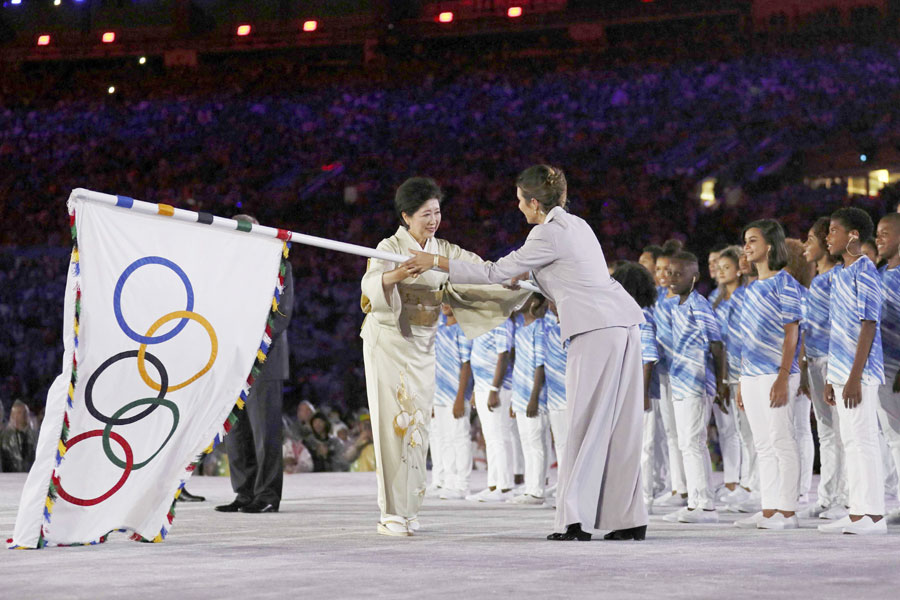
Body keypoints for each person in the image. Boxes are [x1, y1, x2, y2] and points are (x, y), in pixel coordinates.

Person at [405, 164, 647, 542]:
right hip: (625, 324)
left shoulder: (545, 234)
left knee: (584, 424)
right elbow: (565, 275)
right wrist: (529, 277)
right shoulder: (578, 225)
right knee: (620, 426)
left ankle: (574, 521)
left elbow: (493, 272)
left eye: (520, 201)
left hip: (595, 330)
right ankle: (628, 517)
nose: (518, 208)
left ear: (534, 202)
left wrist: (434, 261)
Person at [360, 177, 525, 537]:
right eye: (425, 214)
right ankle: (390, 512)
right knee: (393, 424)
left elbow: (479, 272)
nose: (433, 220)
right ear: (406, 216)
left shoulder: (443, 250)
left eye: (437, 212)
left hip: (424, 342)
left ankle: (410, 507)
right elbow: (369, 288)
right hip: (389, 340)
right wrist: (395, 275)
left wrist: (508, 279)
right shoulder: (388, 247)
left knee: (418, 426)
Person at [216, 214, 294, 514]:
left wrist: (253, 347)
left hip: (264, 360)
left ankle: (267, 494)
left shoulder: (278, 264)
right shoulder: (225, 270)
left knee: (265, 432)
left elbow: (282, 313)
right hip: (232, 361)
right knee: (236, 432)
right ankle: (244, 492)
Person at [819, 207, 886, 535]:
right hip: (843, 372)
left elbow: (868, 325)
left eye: (833, 230)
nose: (827, 237)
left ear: (854, 236)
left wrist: (855, 376)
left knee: (864, 441)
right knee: (851, 441)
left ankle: (873, 515)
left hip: (861, 373)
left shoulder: (866, 271)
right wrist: (834, 377)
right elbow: (838, 330)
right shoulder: (840, 275)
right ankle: (858, 510)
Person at [734, 219, 803, 531]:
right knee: (762, 443)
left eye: (752, 241)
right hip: (751, 375)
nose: (746, 248)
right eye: (746, 242)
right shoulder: (751, 288)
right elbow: (747, 338)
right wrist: (740, 380)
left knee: (781, 439)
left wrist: (782, 375)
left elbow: (792, 334)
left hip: (777, 373)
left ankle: (787, 511)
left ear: (770, 246)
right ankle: (769, 507)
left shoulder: (785, 283)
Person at [661, 251, 726, 525]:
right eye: (669, 273)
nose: (672, 278)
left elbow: (717, 345)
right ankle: (695, 502)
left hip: (698, 383)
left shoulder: (699, 306)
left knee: (694, 442)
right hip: (680, 382)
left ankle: (705, 505)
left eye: (679, 274)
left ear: (694, 277)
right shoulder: (677, 305)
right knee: (687, 443)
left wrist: (720, 384)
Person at [800, 217, 847, 520]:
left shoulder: (839, 278)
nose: (806, 246)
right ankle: (828, 497)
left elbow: (841, 327)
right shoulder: (815, 282)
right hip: (815, 361)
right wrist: (805, 366)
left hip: (835, 361)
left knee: (843, 432)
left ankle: (845, 498)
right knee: (827, 433)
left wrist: (834, 369)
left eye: (810, 239)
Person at [611, 262, 668, 511]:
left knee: (645, 446)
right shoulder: (626, 317)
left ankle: (645, 498)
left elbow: (647, 359)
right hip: (629, 392)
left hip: (642, 393)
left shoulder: (642, 318)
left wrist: (641, 393)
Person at [713, 246, 756, 509]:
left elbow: (744, 340)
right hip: (725, 373)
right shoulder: (717, 300)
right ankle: (742, 481)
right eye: (718, 268)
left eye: (726, 268)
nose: (720, 272)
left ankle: (752, 484)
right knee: (737, 431)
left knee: (751, 432)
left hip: (743, 371)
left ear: (739, 270)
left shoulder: (745, 297)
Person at [651, 240, 690, 510]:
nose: (663, 275)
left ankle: (687, 488)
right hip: (661, 373)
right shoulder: (654, 298)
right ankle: (678, 486)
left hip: (682, 373)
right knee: (670, 432)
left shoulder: (680, 300)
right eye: (659, 270)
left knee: (685, 433)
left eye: (668, 269)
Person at [466, 319, 517, 502]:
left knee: (500, 437)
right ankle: (494, 485)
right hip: (482, 386)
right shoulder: (481, 324)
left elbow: (503, 356)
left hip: (498, 388)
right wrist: (475, 389)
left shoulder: (502, 323)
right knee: (491, 438)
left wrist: (494, 389)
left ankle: (505, 487)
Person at [430, 304, 474, 500]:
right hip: (439, 394)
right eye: (444, 301)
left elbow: (466, 364)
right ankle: (449, 480)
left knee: (460, 438)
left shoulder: (463, 330)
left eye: (451, 300)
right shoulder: (439, 331)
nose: (446, 305)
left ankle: (462, 484)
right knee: (445, 439)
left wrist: (460, 396)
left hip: (456, 394)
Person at [509, 294, 550, 505]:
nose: (517, 302)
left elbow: (540, 365)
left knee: (536, 442)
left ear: (534, 302)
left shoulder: (539, 327)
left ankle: (537, 490)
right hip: (520, 394)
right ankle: (530, 486)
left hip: (535, 397)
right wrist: (514, 399)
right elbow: (518, 365)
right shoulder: (521, 329)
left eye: (523, 298)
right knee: (526, 441)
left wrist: (534, 398)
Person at [784, 238, 816, 504]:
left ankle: (802, 488)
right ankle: (792, 487)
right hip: (789, 368)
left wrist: (803, 370)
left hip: (798, 369)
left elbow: (803, 335)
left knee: (800, 427)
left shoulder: (797, 292)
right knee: (792, 429)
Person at [874, 212, 900, 523]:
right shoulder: (881, 275)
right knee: (893, 437)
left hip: (897, 368)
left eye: (884, 233)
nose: (878, 239)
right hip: (883, 368)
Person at [542, 301, 568, 503]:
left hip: (570, 397)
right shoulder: (551, 329)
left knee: (570, 445)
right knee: (560, 444)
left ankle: (571, 490)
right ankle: (564, 485)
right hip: (554, 397)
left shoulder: (576, 328)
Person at [0, 400, 37, 472]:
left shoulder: (36, 436)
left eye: (25, 413)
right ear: (12, 416)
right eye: (18, 413)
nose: (22, 416)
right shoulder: (3, 437)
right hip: (9, 478)